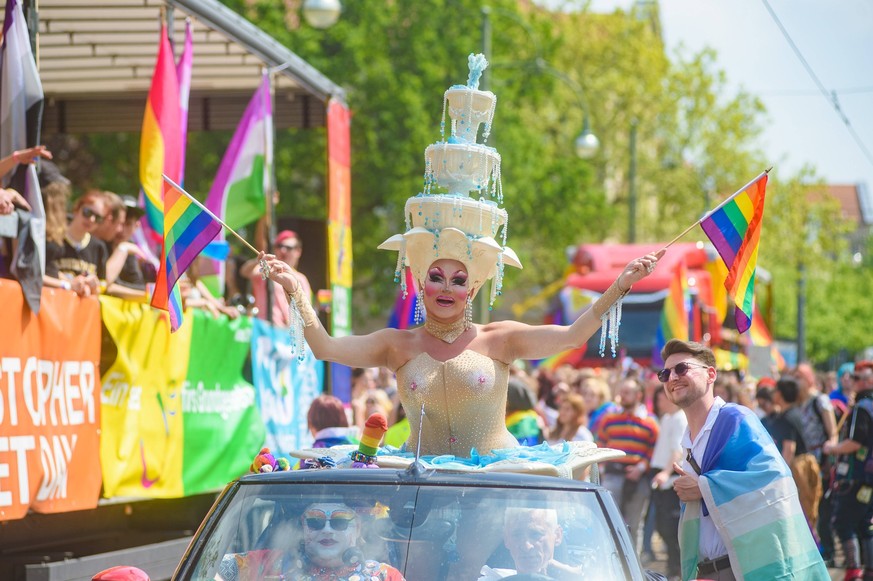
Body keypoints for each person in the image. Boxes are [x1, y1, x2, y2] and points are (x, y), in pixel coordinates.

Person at [257, 54, 662, 468]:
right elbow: (324, 347)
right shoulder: (397, 345)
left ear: (472, 287)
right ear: (421, 282)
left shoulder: (500, 339)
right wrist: (293, 291)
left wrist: (620, 285)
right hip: (425, 482)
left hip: (495, 481)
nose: (446, 287)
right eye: (436, 276)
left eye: (458, 279)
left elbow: (573, 336)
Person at [662, 339, 828, 580]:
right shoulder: (686, 439)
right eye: (665, 373)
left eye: (682, 368)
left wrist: (704, 488)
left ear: (711, 375)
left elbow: (774, 481)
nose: (672, 377)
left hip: (744, 569)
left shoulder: (736, 419)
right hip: (707, 571)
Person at [219, 499, 405, 581]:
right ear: (304, 526)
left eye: (339, 522)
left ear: (357, 529)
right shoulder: (271, 564)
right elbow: (208, 568)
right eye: (315, 522)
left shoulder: (384, 576)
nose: (327, 530)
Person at [823, 361, 873, 581]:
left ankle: (854, 571)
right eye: (852, 377)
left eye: (857, 378)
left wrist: (832, 448)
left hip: (858, 476)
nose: (852, 381)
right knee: (865, 524)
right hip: (867, 477)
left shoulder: (863, 407)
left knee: (844, 521)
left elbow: (856, 442)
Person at [597, 377, 659, 551]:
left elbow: (654, 450)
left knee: (634, 523)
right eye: (621, 392)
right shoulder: (609, 419)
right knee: (608, 521)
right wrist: (603, 469)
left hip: (637, 479)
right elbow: (600, 444)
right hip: (612, 476)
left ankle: (633, 570)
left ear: (638, 395)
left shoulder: (650, 423)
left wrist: (640, 468)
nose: (622, 396)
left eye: (627, 392)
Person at [478, 507, 583, 580]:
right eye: (517, 535)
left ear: (557, 535)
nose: (526, 546)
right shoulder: (492, 578)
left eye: (536, 534)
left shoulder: (589, 577)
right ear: (506, 539)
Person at [649, 384, 686, 580]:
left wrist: (665, 472)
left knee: (669, 527)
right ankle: (674, 567)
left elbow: (677, 451)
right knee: (662, 526)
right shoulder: (666, 419)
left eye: (661, 397)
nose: (658, 402)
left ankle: (676, 568)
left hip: (669, 479)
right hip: (660, 476)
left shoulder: (679, 418)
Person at [44, 190, 109, 296]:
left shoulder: (99, 247)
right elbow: (39, 274)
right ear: (77, 209)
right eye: (87, 213)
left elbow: (101, 287)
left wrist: (93, 286)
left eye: (98, 218)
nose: (91, 219)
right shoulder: (54, 238)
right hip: (51, 304)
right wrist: (69, 284)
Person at [240, 229, 312, 327]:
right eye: (279, 246)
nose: (283, 250)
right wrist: (259, 260)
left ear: (298, 251)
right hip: (264, 331)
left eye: (288, 247)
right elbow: (245, 271)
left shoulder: (301, 279)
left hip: (288, 335)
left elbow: (307, 312)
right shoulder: (267, 270)